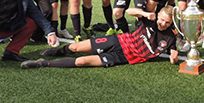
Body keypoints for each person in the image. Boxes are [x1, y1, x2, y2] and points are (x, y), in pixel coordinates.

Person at [23, 5, 179, 70]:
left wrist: (174, 58)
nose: (163, 23)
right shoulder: (150, 18)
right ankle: (60, 51)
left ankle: (43, 64)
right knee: (75, 47)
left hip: (122, 57)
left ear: (171, 23)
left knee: (82, 61)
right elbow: (129, 11)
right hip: (118, 40)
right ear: (158, 15)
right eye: (161, 19)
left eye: (167, 22)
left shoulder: (171, 38)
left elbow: (172, 58)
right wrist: (145, 13)